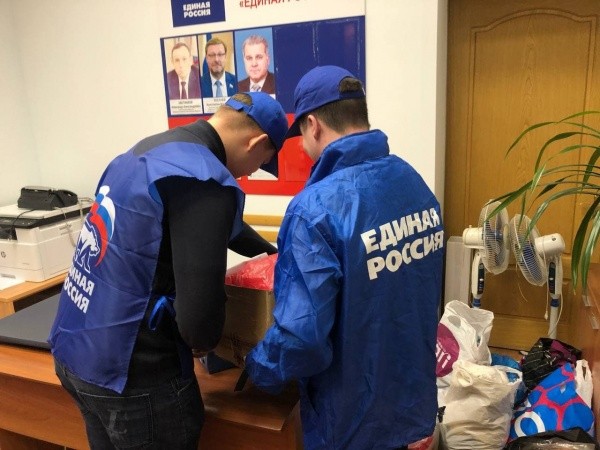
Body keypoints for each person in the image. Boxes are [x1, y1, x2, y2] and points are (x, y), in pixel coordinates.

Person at [48, 92, 288, 449]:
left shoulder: (149, 152)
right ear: (256, 142)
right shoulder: (206, 182)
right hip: (133, 377)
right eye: (261, 162)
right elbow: (199, 327)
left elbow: (217, 224)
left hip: (75, 351)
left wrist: (273, 254)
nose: (251, 172)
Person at [245, 66, 445, 450]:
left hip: (351, 424)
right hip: (413, 407)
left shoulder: (313, 210)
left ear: (313, 125)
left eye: (301, 136)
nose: (304, 147)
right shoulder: (413, 182)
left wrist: (258, 367)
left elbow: (302, 338)